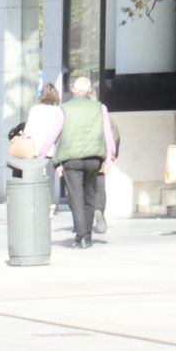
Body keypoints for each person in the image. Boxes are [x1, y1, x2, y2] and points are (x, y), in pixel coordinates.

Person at [51, 75, 116, 250]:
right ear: (88, 91)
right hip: (94, 159)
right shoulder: (100, 108)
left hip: (72, 160)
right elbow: (107, 134)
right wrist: (110, 158)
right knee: (90, 197)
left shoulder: (64, 108)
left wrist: (43, 154)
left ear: (73, 90)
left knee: (76, 198)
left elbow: (54, 134)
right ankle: (88, 236)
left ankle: (81, 236)